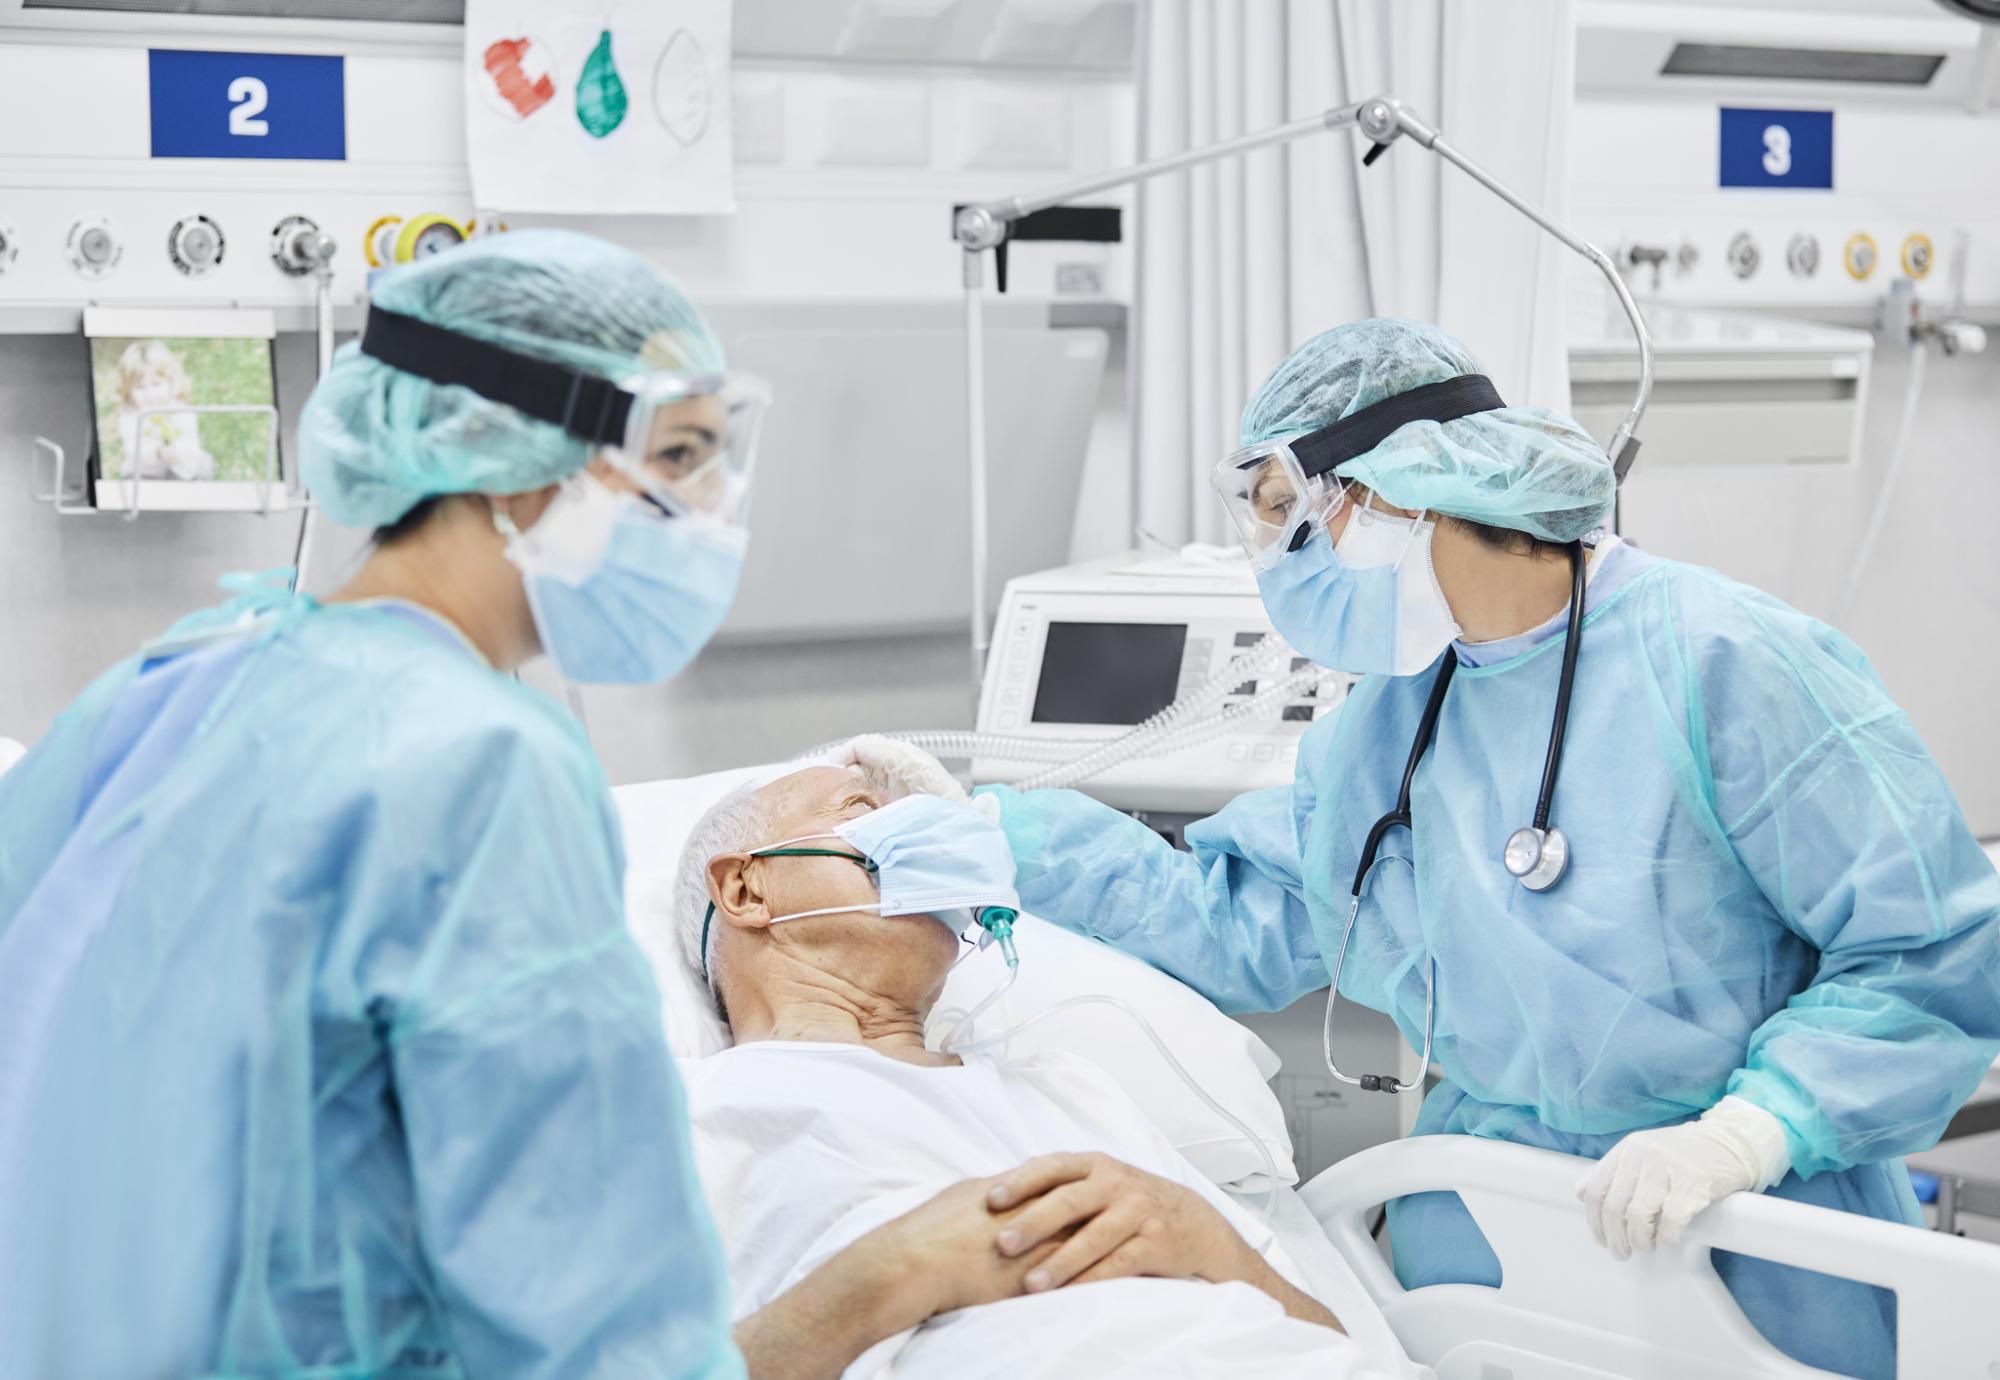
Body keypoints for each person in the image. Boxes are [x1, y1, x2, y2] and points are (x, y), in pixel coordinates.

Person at [959, 318, 2000, 1380]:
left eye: (1283, 512)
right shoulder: (1389, 721)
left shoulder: (1723, 663)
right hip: (1485, 1248)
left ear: (1395, 489)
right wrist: (988, 837)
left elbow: (1929, 956)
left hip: (1746, 1238)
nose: (1274, 559)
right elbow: (1242, 922)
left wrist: (1747, 1134)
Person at [1, 228, 811, 1380]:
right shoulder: (481, 767)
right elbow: (590, 1301)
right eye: (676, 455)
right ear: (511, 447)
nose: (709, 511)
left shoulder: (174, 682)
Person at [669, 762, 1398, 1379]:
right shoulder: (687, 1121)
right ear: (745, 890)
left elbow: (1332, 1338)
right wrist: (894, 1271)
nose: (927, 839)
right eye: (865, 809)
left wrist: (1208, 1238)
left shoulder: (1065, 1087)